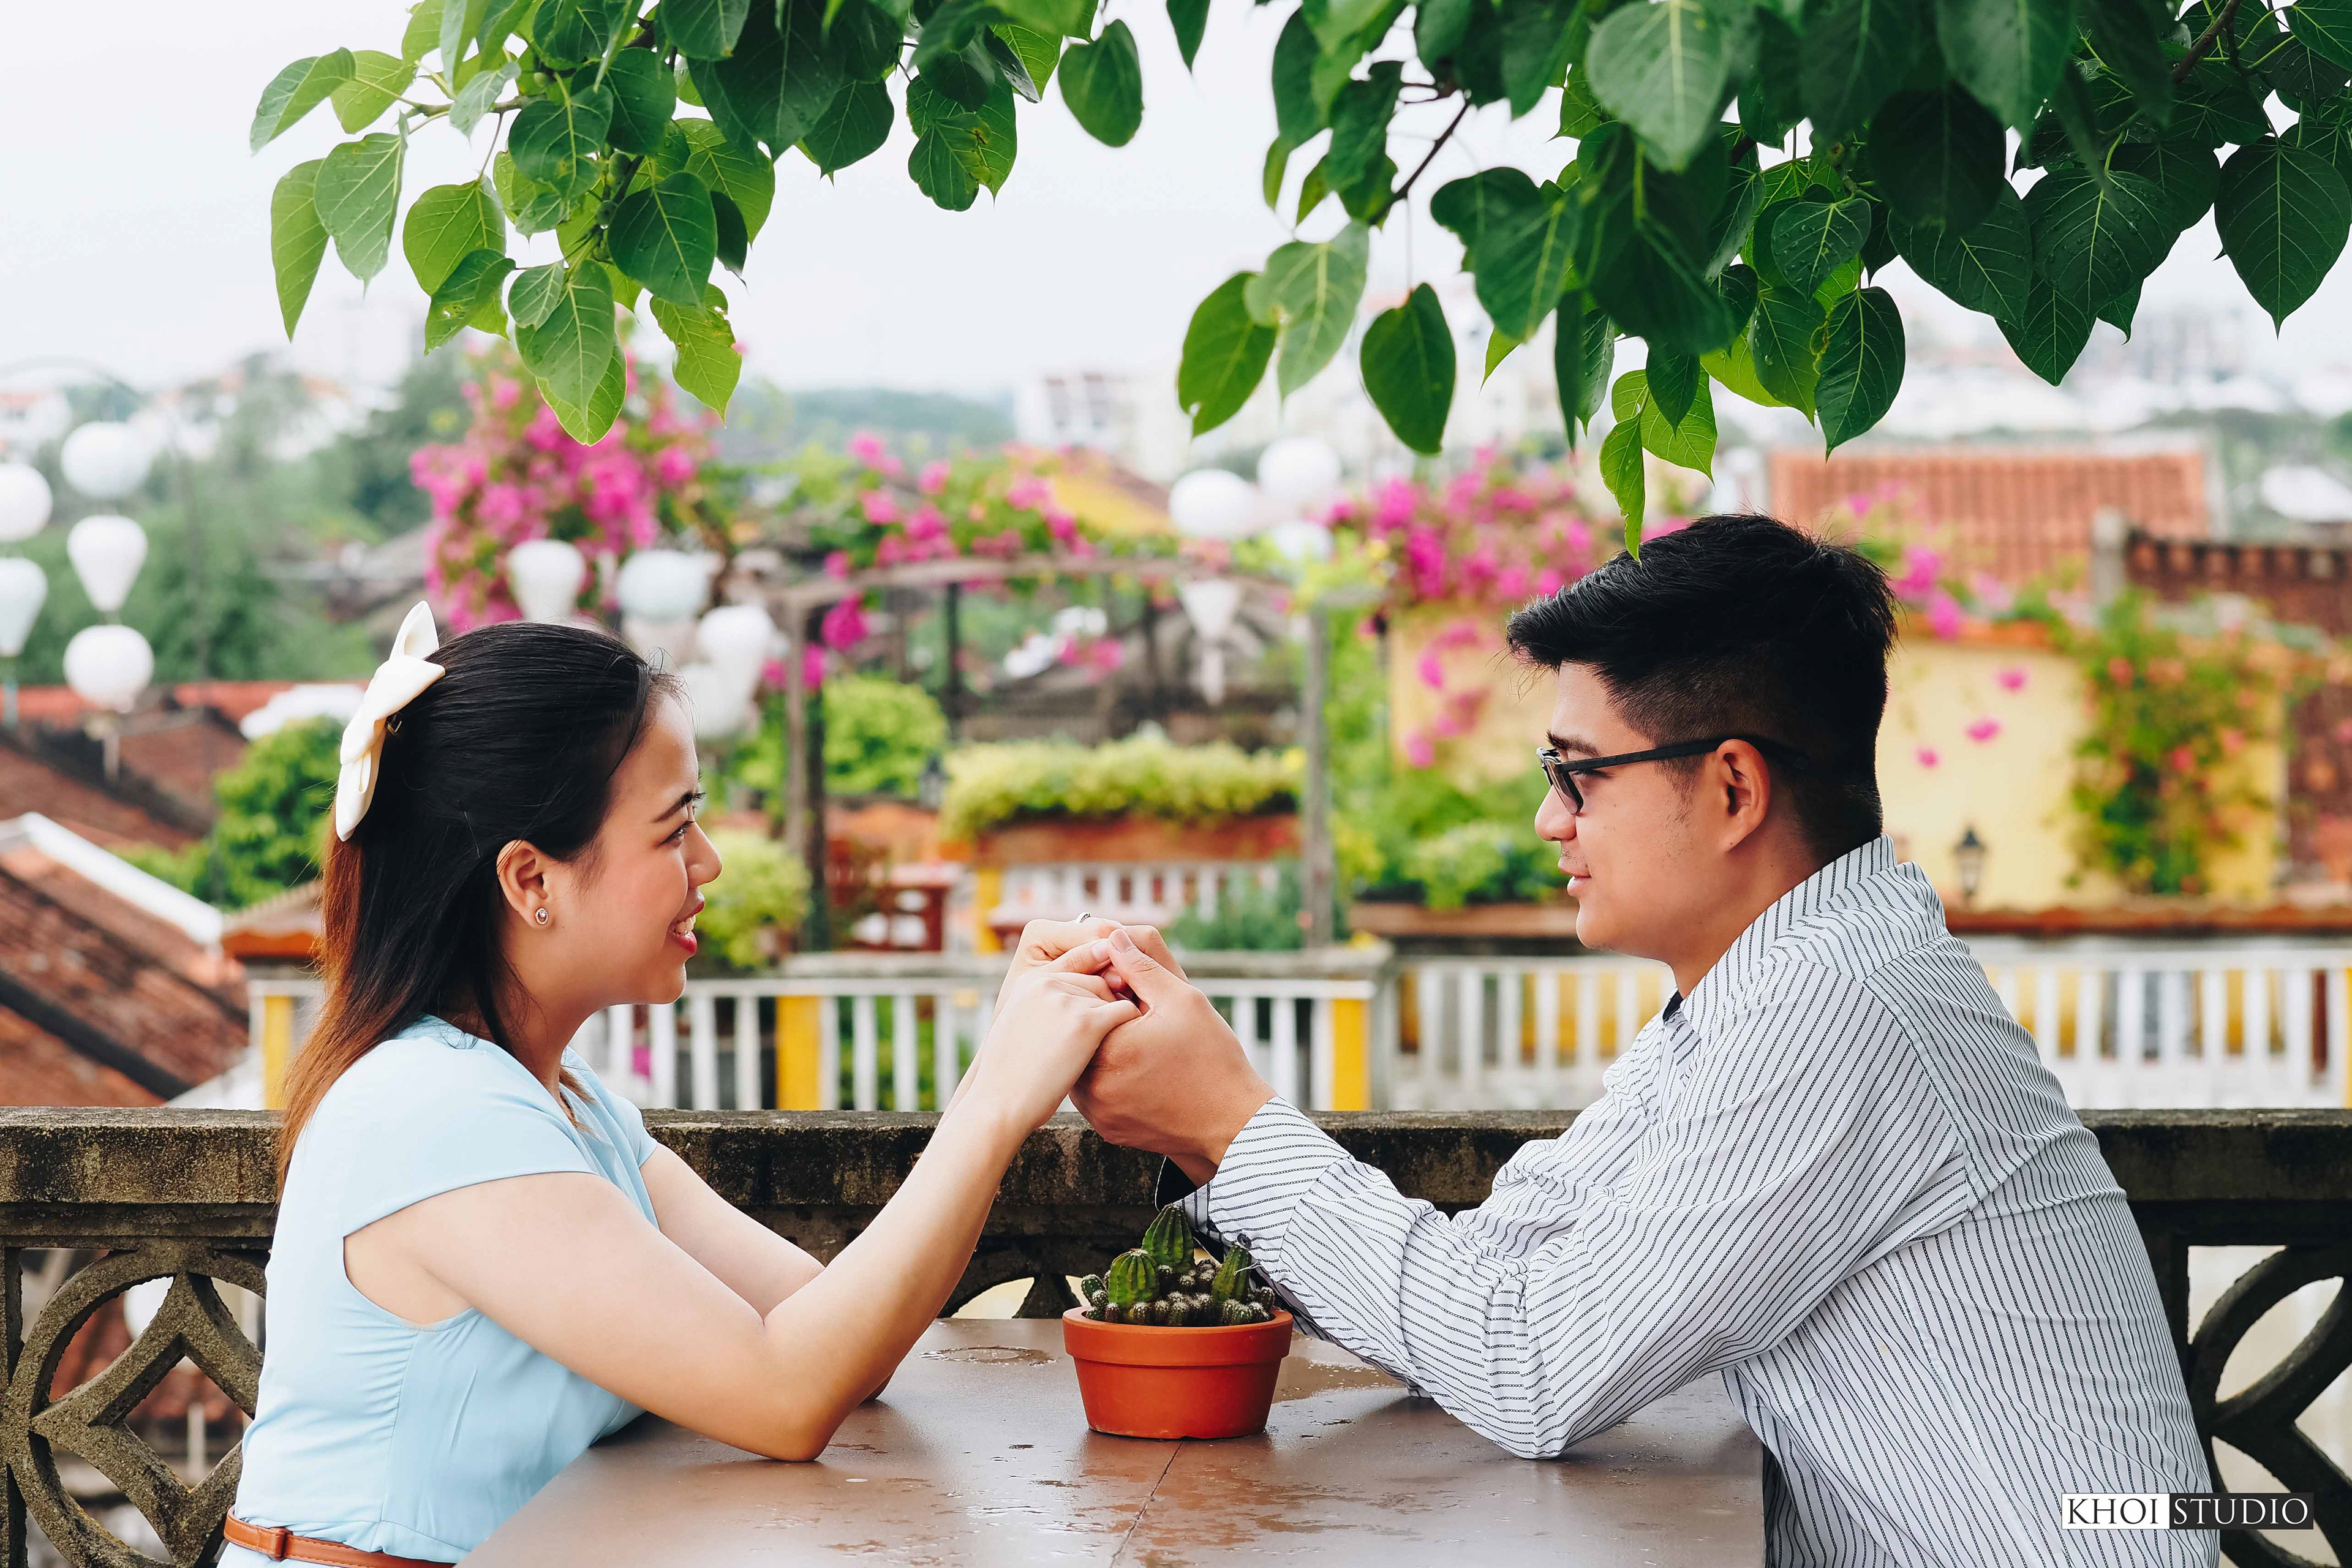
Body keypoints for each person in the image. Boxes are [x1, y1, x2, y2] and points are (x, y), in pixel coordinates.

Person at [1068, 515, 2218, 1567]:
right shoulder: (1772, 986)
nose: (1549, 819)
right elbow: (1508, 1261)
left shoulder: (1842, 1009)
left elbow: (1531, 1367)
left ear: (1732, 790)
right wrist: (1212, 1138)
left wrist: (1233, 1121)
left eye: (1579, 774)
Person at [223, 605, 1139, 1568]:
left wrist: (1009, 1049)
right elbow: (786, 1396)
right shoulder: (434, 1113)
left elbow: (831, 1336)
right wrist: (995, 1099)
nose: (708, 864)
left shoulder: (564, 1109)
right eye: (675, 830)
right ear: (532, 881)